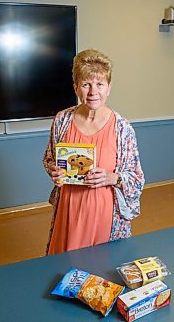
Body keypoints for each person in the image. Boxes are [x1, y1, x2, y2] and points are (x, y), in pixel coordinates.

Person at [42, 49, 145, 255]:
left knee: (101, 274)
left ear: (109, 88)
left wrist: (113, 177)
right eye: (86, 84)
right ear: (76, 88)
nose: (93, 92)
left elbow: (137, 179)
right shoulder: (62, 120)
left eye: (100, 84)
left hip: (104, 215)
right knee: (64, 270)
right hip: (69, 211)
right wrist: (54, 170)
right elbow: (49, 159)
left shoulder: (122, 129)